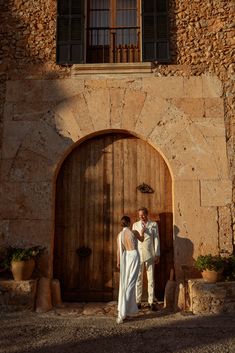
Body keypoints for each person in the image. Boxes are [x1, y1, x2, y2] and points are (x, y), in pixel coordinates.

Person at [116, 215, 145, 324]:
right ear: (128, 223)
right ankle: (124, 310)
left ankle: (127, 310)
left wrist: (118, 262)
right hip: (134, 256)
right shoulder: (134, 232)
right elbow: (142, 239)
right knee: (132, 283)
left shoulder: (119, 235)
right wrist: (143, 231)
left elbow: (119, 251)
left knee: (126, 283)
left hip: (125, 258)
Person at [132, 207, 160, 310]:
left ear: (147, 214)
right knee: (138, 278)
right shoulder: (135, 225)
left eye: (143, 215)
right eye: (140, 215)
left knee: (151, 279)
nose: (141, 217)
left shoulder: (153, 225)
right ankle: (137, 301)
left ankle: (151, 301)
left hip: (150, 254)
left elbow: (156, 239)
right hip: (138, 254)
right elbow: (133, 240)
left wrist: (157, 254)